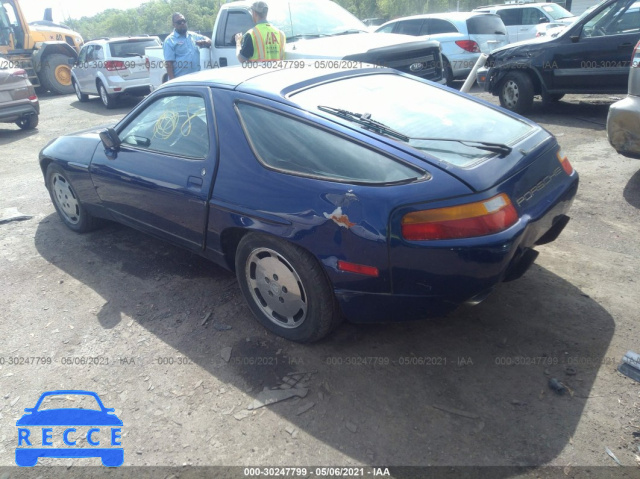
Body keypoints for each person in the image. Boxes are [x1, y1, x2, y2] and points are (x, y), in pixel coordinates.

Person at [163, 12, 212, 80]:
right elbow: (168, 63)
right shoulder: (169, 40)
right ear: (174, 24)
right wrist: (172, 81)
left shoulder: (193, 36)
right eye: (179, 22)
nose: (182, 23)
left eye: (184, 21)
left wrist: (205, 42)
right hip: (180, 80)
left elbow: (209, 40)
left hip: (196, 78)